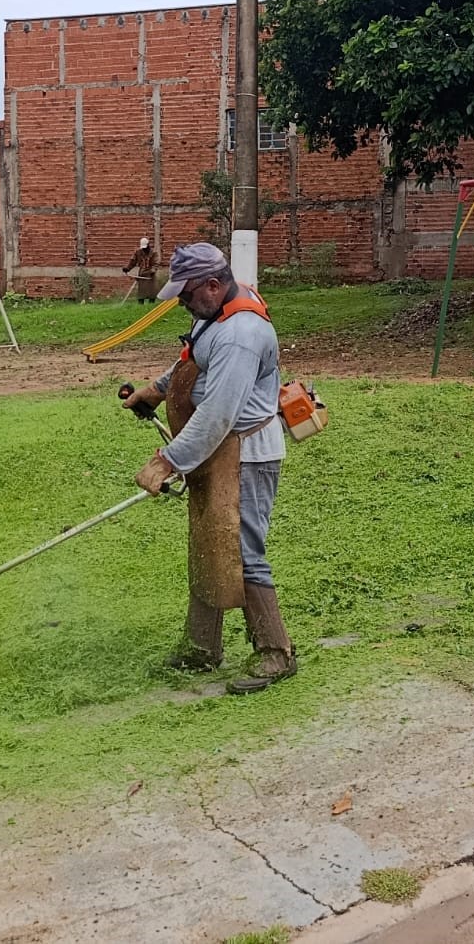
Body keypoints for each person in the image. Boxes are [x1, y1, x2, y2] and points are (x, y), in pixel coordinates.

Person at [122, 242, 295, 694]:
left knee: (241, 549)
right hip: (216, 452)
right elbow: (197, 357)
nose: (181, 303)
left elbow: (218, 411)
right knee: (207, 540)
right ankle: (202, 648)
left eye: (186, 295)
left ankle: (275, 653)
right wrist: (156, 390)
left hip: (246, 453)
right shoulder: (215, 315)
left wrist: (166, 461)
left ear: (214, 285)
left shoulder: (241, 334)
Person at [123, 236, 159, 303]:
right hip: (142, 274)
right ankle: (140, 304)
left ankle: (151, 304)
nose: (144, 249)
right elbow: (133, 261)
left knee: (151, 291)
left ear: (148, 245)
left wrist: (153, 270)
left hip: (150, 274)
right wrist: (127, 268)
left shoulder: (154, 253)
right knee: (141, 292)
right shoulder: (138, 252)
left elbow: (156, 263)